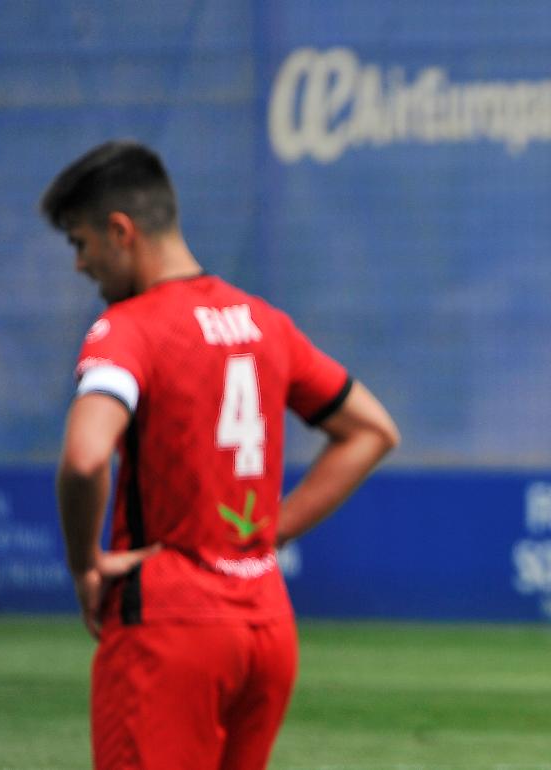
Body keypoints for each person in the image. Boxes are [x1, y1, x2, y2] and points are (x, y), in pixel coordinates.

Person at [44, 140, 400, 769]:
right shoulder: (266, 323)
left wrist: (86, 565)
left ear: (120, 231)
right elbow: (371, 430)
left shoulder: (128, 329)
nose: (80, 265)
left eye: (80, 244)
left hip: (170, 630)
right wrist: (270, 531)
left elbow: (84, 456)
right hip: (265, 628)